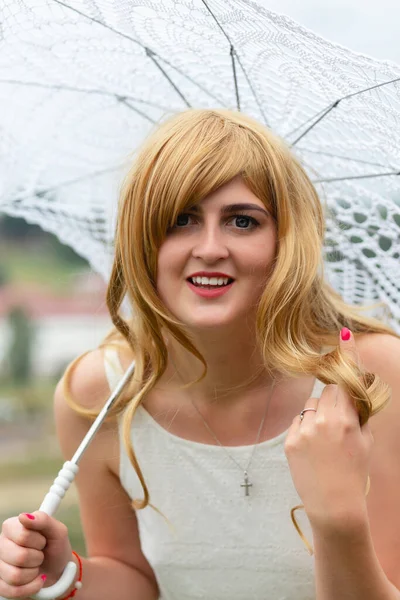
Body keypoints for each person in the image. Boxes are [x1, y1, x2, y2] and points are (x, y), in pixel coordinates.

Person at [1, 108, 399, 600]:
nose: (209, 248)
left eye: (241, 221)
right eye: (181, 219)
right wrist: (66, 571)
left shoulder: (373, 379)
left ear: (285, 241)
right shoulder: (97, 395)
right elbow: (137, 580)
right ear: (142, 238)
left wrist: (338, 519)